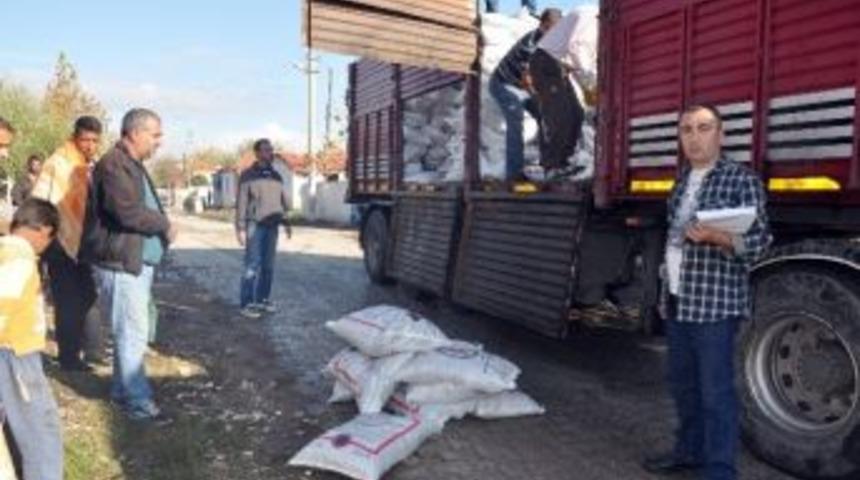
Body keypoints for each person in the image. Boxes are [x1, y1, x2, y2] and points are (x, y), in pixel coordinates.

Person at [643, 105, 772, 480]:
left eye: (703, 128)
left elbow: (761, 241)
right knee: (683, 386)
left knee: (715, 392)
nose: (694, 137)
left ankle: (719, 469)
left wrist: (720, 238)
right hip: (679, 299)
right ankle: (688, 452)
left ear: (721, 134)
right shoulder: (682, 182)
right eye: (686, 130)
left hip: (714, 303)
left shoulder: (740, 180)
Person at [80, 108, 176, 423]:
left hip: (133, 263)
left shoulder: (130, 163)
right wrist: (164, 223)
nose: (159, 142)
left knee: (129, 332)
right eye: (155, 134)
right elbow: (127, 213)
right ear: (135, 132)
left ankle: (123, 395)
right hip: (120, 263)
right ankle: (137, 402)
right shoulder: (113, 164)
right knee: (132, 333)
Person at [31, 116, 104, 371]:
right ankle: (69, 358)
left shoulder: (89, 166)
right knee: (67, 302)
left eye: (95, 141)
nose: (90, 145)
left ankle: (94, 351)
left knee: (88, 296)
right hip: (59, 244)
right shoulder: (57, 162)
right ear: (75, 137)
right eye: (85, 139)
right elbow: (40, 203)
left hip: (83, 243)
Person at [0, 198, 63, 480]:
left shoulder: (5, 250)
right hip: (16, 354)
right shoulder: (20, 259)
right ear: (43, 231)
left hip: (10, 351)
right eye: (49, 240)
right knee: (41, 432)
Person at [489, 8, 561, 180]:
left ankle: (549, 165)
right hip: (504, 84)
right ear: (543, 26)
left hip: (523, 86)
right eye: (553, 28)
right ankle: (514, 173)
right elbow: (527, 80)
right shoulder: (529, 45)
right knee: (516, 120)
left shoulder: (551, 42)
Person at [528, 9, 597, 178]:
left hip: (558, 65)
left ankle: (563, 161)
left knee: (577, 114)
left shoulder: (592, 18)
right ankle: (551, 166)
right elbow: (577, 49)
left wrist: (588, 84)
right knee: (562, 116)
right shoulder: (592, 19)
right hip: (545, 63)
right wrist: (590, 85)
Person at [235, 138, 290, 319]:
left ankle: (262, 299)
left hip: (272, 226)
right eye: (266, 150)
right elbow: (241, 203)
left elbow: (283, 202)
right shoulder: (248, 176)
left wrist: (286, 222)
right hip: (254, 226)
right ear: (257, 153)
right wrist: (240, 228)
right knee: (252, 265)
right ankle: (246, 303)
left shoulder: (276, 176)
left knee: (268, 266)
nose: (270, 152)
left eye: (271, 149)